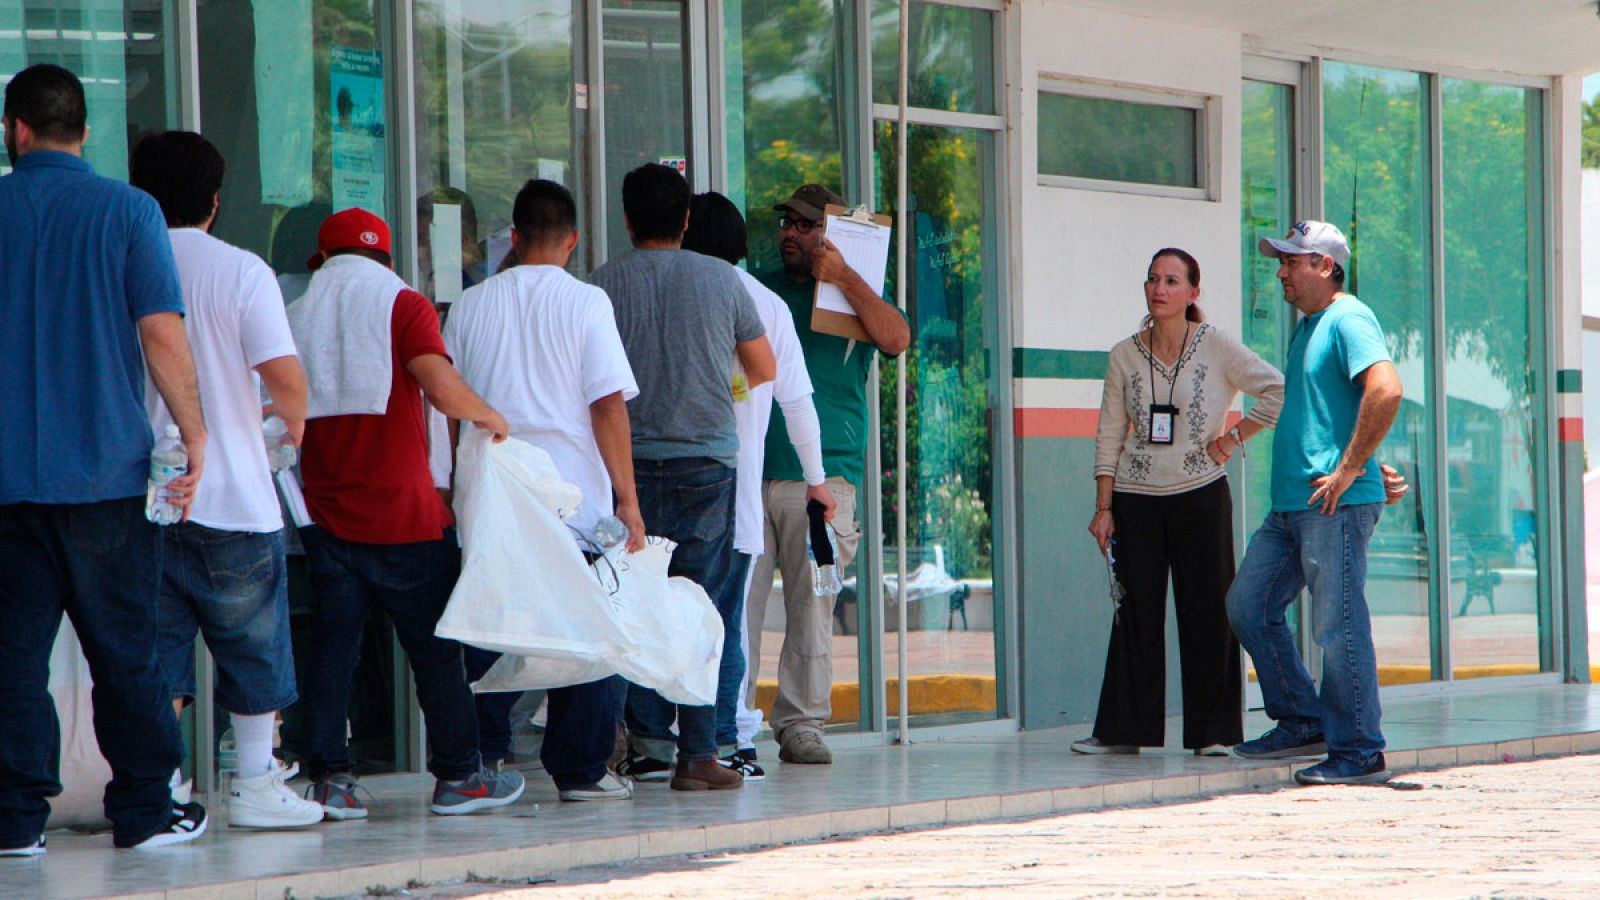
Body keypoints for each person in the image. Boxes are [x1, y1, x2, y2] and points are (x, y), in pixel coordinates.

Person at [0, 63, 209, 852]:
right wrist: (196, 435)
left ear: (15, 130)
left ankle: (16, 821)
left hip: (6, 486)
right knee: (125, 651)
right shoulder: (129, 211)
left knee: (12, 660)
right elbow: (161, 333)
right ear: (83, 131)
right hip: (104, 481)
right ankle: (146, 811)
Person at [287, 208, 524, 818]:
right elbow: (441, 388)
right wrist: (492, 418)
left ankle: (329, 781)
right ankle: (460, 778)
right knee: (437, 652)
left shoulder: (299, 312)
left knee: (334, 651)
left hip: (326, 512)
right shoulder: (404, 304)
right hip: (405, 516)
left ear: (323, 259)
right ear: (387, 259)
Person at [129, 131, 324, 829]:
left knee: (158, 653)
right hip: (236, 492)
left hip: (145, 492)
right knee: (254, 644)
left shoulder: (122, 257)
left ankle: (168, 785)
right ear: (214, 202)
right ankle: (255, 782)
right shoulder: (241, 271)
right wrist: (289, 433)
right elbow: (284, 377)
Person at [443, 178, 645, 801]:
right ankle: (580, 770)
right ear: (572, 239)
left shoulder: (470, 304)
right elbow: (607, 404)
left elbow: (448, 406)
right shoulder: (586, 303)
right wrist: (628, 498)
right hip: (571, 491)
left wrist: (453, 483)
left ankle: (478, 756)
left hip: (493, 486)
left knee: (488, 621)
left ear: (516, 234)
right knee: (583, 622)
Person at [589, 163, 775, 792]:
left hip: (627, 467)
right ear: (687, 220)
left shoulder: (601, 285)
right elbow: (763, 365)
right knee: (704, 608)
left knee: (633, 601)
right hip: (708, 464)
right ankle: (699, 753)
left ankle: (645, 744)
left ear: (627, 218)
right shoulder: (722, 279)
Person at [1073, 249, 1284, 757]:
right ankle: (1123, 731)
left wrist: (1231, 440)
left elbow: (1276, 389)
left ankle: (1213, 733)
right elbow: (1108, 434)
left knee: (1209, 611)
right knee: (1133, 613)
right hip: (1135, 497)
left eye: (1171, 280)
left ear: (1193, 292)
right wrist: (1104, 507)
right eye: (1152, 279)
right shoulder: (1124, 354)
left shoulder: (1216, 346)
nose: (1158, 288)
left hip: (1201, 495)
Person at [1228, 220, 1405, 786]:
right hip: (1291, 505)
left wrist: (1353, 469)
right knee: (1248, 605)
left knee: (1339, 626)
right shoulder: (1309, 327)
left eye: (1292, 261)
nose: (1280, 271)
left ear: (1325, 267)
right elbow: (1334, 410)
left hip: (1334, 504)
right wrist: (1365, 458)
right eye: (1279, 261)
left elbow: (1386, 388)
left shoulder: (1349, 317)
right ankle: (1304, 720)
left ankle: (1358, 750)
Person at [742, 184, 910, 766]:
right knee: (738, 604)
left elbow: (896, 339)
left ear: (832, 235)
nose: (790, 232)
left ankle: (802, 724)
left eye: (805, 225)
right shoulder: (760, 285)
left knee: (812, 606)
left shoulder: (857, 297)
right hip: (749, 471)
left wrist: (844, 278)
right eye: (786, 222)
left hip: (825, 481)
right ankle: (728, 723)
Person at [680, 191, 836, 781]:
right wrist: (817, 481)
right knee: (729, 623)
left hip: (658, 485)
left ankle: (666, 738)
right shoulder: (768, 304)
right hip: (738, 494)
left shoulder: (673, 294)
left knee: (670, 614)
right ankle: (731, 738)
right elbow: (798, 404)